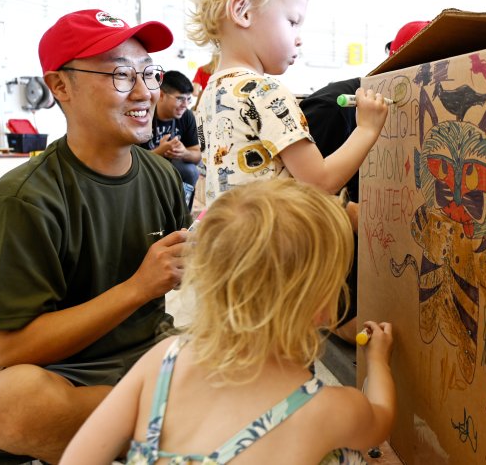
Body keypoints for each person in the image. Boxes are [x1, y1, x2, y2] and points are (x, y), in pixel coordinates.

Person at [60, 178, 396, 464]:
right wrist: (378, 360)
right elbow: (379, 421)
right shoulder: (325, 408)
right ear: (321, 305)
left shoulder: (164, 359)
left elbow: (77, 458)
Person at [0, 9, 190, 465]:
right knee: (7, 400)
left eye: (148, 73)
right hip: (62, 375)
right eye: (120, 74)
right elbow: (10, 353)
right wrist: (139, 287)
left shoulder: (161, 175)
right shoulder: (23, 198)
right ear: (59, 87)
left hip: (147, 355)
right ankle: (161, 430)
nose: (143, 92)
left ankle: (133, 433)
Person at [186, 0, 389, 211]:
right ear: (242, 12)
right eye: (292, 22)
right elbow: (319, 181)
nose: (299, 39)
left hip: (230, 241)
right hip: (273, 246)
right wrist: (367, 128)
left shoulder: (212, 92)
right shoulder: (265, 91)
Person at [300, 20, 430, 342]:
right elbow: (296, 201)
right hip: (341, 261)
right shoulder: (330, 109)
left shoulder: (427, 112)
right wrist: (351, 214)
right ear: (391, 64)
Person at [142, 69, 201, 211]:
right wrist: (159, 152)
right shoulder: (142, 114)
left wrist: (184, 153)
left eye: (188, 99)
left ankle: (183, 214)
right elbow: (128, 161)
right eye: (180, 98)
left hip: (172, 172)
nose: (185, 105)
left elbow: (197, 155)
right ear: (161, 95)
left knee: (190, 171)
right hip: (144, 172)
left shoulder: (186, 116)